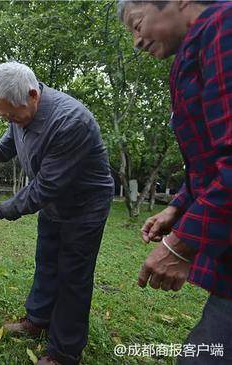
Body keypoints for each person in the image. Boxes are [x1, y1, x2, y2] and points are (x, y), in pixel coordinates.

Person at [0, 61, 114, 365]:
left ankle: (64, 352)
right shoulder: (18, 113)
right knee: (46, 260)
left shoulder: (70, 121)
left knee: (73, 274)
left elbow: (46, 186)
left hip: (84, 206)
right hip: (54, 203)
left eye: (11, 114)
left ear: (32, 95)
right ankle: (38, 319)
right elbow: (7, 147)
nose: (9, 120)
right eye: (3, 115)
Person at [117, 1, 232, 364]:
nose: (136, 41)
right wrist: (178, 206)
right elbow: (211, 159)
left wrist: (182, 246)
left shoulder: (224, 27)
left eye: (137, 24)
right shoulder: (191, 54)